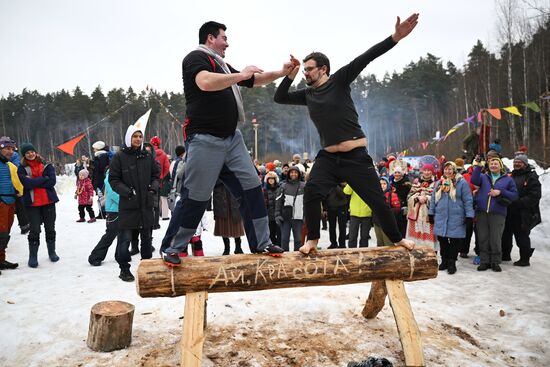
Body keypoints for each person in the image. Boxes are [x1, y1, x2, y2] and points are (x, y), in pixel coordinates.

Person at [274, 13, 419, 254]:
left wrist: (395, 37)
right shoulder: (307, 95)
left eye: (309, 69)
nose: (306, 74)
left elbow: (367, 57)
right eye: (304, 71)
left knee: (377, 201)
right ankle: (312, 240)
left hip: (356, 157)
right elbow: (280, 98)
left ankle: (397, 239)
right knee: (311, 192)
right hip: (329, 158)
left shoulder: (339, 81)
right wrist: (289, 75)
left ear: (324, 69)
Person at [160, 21, 291, 265]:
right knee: (196, 195)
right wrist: (240, 74)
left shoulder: (221, 65)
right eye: (224, 38)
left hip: (231, 138)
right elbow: (205, 82)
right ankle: (173, 247)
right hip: (204, 139)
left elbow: (254, 80)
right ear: (211, 38)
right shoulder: (195, 58)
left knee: (252, 187)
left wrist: (282, 72)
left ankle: (261, 243)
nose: (227, 43)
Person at [109, 125, 160, 282]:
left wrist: (153, 188)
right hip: (128, 204)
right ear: (128, 138)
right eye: (134, 136)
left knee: (146, 239)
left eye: (140, 136)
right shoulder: (120, 156)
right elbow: (113, 180)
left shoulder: (147, 155)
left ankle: (146, 268)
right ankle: (124, 269)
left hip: (145, 204)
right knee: (124, 239)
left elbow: (156, 175)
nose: (138, 139)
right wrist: (127, 191)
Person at [470, 156, 518, 272]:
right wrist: (478, 167)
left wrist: (500, 192)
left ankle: (495, 262)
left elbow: (515, 195)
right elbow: (474, 180)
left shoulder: (508, 179)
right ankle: (484, 261)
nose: (493, 165)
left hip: (498, 213)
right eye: (491, 164)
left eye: (496, 164)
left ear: (500, 165)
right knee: (483, 238)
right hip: (482, 212)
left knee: (495, 239)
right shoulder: (483, 177)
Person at [17, 143, 60, 268]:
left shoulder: (46, 165)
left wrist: (34, 181)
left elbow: (52, 181)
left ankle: (52, 252)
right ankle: (33, 256)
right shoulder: (21, 168)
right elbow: (27, 184)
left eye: (32, 151)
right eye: (27, 153)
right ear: (24, 155)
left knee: (50, 228)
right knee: (34, 230)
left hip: (48, 202)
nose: (30, 154)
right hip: (32, 204)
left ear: (36, 152)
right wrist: (43, 179)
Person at [428, 162, 474, 274]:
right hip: (441, 216)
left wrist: (469, 216)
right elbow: (434, 198)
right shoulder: (439, 183)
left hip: (456, 216)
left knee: (454, 241)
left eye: (450, 169)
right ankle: (444, 260)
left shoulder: (461, 183)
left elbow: (468, 200)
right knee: (442, 241)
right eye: (446, 169)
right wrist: (431, 213)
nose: (447, 171)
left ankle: (452, 262)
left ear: (454, 170)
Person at [501, 154, 541, 266]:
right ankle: (505, 255)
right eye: (515, 162)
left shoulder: (531, 177)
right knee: (505, 235)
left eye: (520, 162)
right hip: (508, 211)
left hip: (523, 213)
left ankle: (524, 259)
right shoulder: (510, 176)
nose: (517, 164)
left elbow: (534, 196)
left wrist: (518, 202)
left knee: (522, 236)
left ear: (525, 164)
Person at [0, 137, 23, 274]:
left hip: (10, 201)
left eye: (11, 149)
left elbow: (17, 181)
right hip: (1, 202)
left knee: (5, 233)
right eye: (6, 148)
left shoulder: (10, 166)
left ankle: (1, 259)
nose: (10, 151)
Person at [88, 169, 120, 266]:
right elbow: (112, 192)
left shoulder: (123, 171)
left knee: (124, 234)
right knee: (110, 234)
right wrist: (125, 202)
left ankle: (121, 254)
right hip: (114, 209)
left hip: (123, 209)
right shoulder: (111, 174)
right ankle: (95, 256)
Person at [406, 163, 437, 251]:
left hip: (428, 215)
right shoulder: (416, 182)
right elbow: (409, 197)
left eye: (429, 171)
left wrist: (427, 198)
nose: (426, 172)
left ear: (432, 172)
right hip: (416, 215)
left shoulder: (436, 184)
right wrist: (417, 198)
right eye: (425, 170)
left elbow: (438, 198)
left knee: (429, 239)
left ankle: (430, 256)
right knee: (415, 241)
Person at [275, 166, 305, 251]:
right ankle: (285, 259)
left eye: (295, 172)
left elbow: (306, 203)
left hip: (298, 218)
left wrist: (306, 216)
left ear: (298, 174)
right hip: (285, 218)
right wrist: (277, 215)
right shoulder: (283, 186)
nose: (293, 174)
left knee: (298, 240)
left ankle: (297, 259)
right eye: (291, 172)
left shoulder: (304, 186)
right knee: (284, 240)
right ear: (289, 174)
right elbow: (278, 201)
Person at [213, 180, 245, 255]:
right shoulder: (217, 173)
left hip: (234, 203)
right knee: (223, 227)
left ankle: (238, 247)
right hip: (221, 202)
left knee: (236, 227)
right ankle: (227, 248)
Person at [343, 183, 373, 248]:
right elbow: (346, 191)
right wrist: (351, 180)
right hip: (354, 213)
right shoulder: (354, 181)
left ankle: (363, 254)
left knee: (364, 237)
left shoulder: (369, 182)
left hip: (366, 213)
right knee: (352, 236)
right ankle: (351, 253)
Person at [374, 177, 401, 246]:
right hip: (377, 223)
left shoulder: (392, 194)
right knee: (380, 243)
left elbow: (397, 209)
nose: (382, 185)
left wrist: (386, 212)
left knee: (388, 244)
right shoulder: (375, 194)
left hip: (387, 223)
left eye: (384, 184)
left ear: (388, 185)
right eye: (380, 184)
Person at [150, 136, 171, 223]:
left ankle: (149, 220)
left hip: (148, 179)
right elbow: (167, 167)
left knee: (148, 200)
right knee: (157, 200)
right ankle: (156, 222)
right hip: (159, 180)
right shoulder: (163, 154)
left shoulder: (149, 152)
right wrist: (162, 175)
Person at [324, 183, 349, 249]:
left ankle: (342, 244)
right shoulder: (328, 182)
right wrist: (325, 208)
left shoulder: (342, 182)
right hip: (330, 207)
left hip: (342, 206)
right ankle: (333, 243)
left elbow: (344, 195)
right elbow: (325, 195)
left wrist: (336, 184)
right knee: (332, 227)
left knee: (342, 226)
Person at [264, 171, 281, 247]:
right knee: (271, 232)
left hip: (278, 213)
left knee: (280, 232)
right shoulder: (265, 190)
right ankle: (273, 245)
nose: (271, 180)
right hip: (269, 214)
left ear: (275, 180)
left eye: (272, 179)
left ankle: (279, 245)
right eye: (269, 179)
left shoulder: (279, 188)